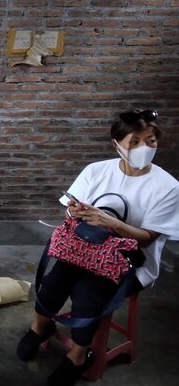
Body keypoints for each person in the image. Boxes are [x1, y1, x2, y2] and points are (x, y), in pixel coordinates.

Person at [16, 109, 179, 386]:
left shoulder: (168, 186)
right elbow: (68, 215)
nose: (144, 148)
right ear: (116, 145)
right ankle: (40, 328)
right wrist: (75, 213)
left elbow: (148, 238)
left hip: (128, 261)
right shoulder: (96, 171)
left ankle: (79, 356)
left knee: (88, 293)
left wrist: (109, 222)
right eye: (135, 142)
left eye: (150, 141)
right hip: (83, 249)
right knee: (53, 282)